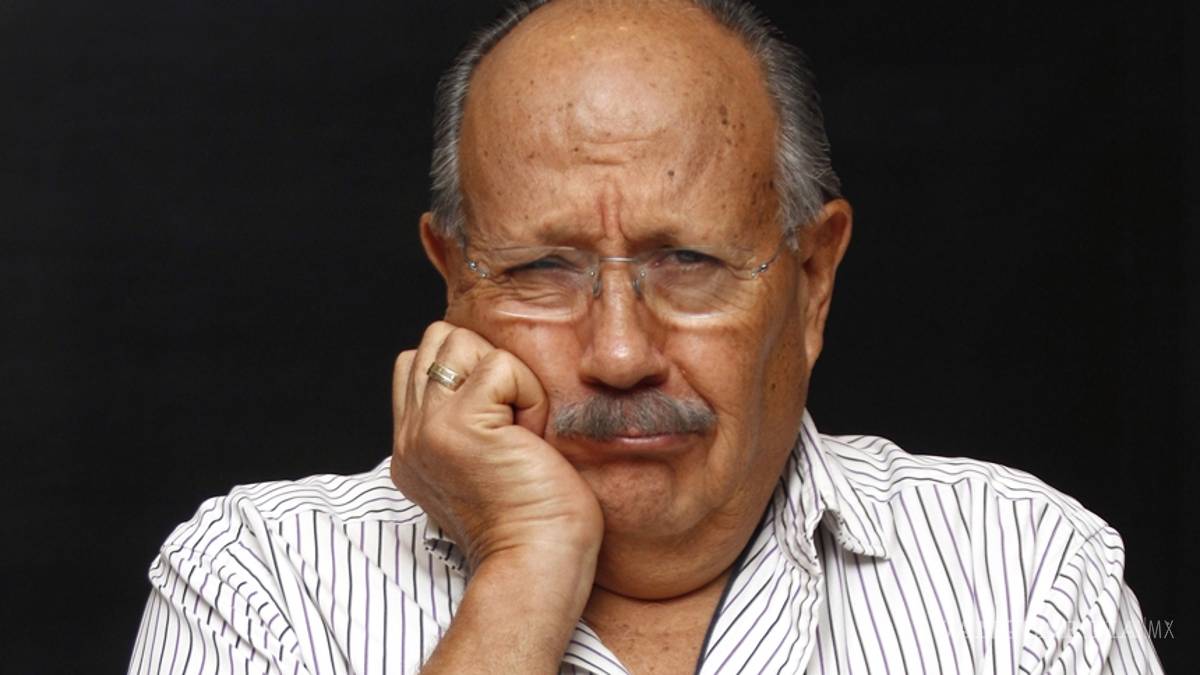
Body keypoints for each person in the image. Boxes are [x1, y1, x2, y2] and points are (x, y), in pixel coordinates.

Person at [128, 1, 1163, 673]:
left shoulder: (1023, 575)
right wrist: (521, 575)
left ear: (812, 282)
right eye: (543, 268)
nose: (620, 354)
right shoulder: (260, 581)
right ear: (454, 282)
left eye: (690, 262)